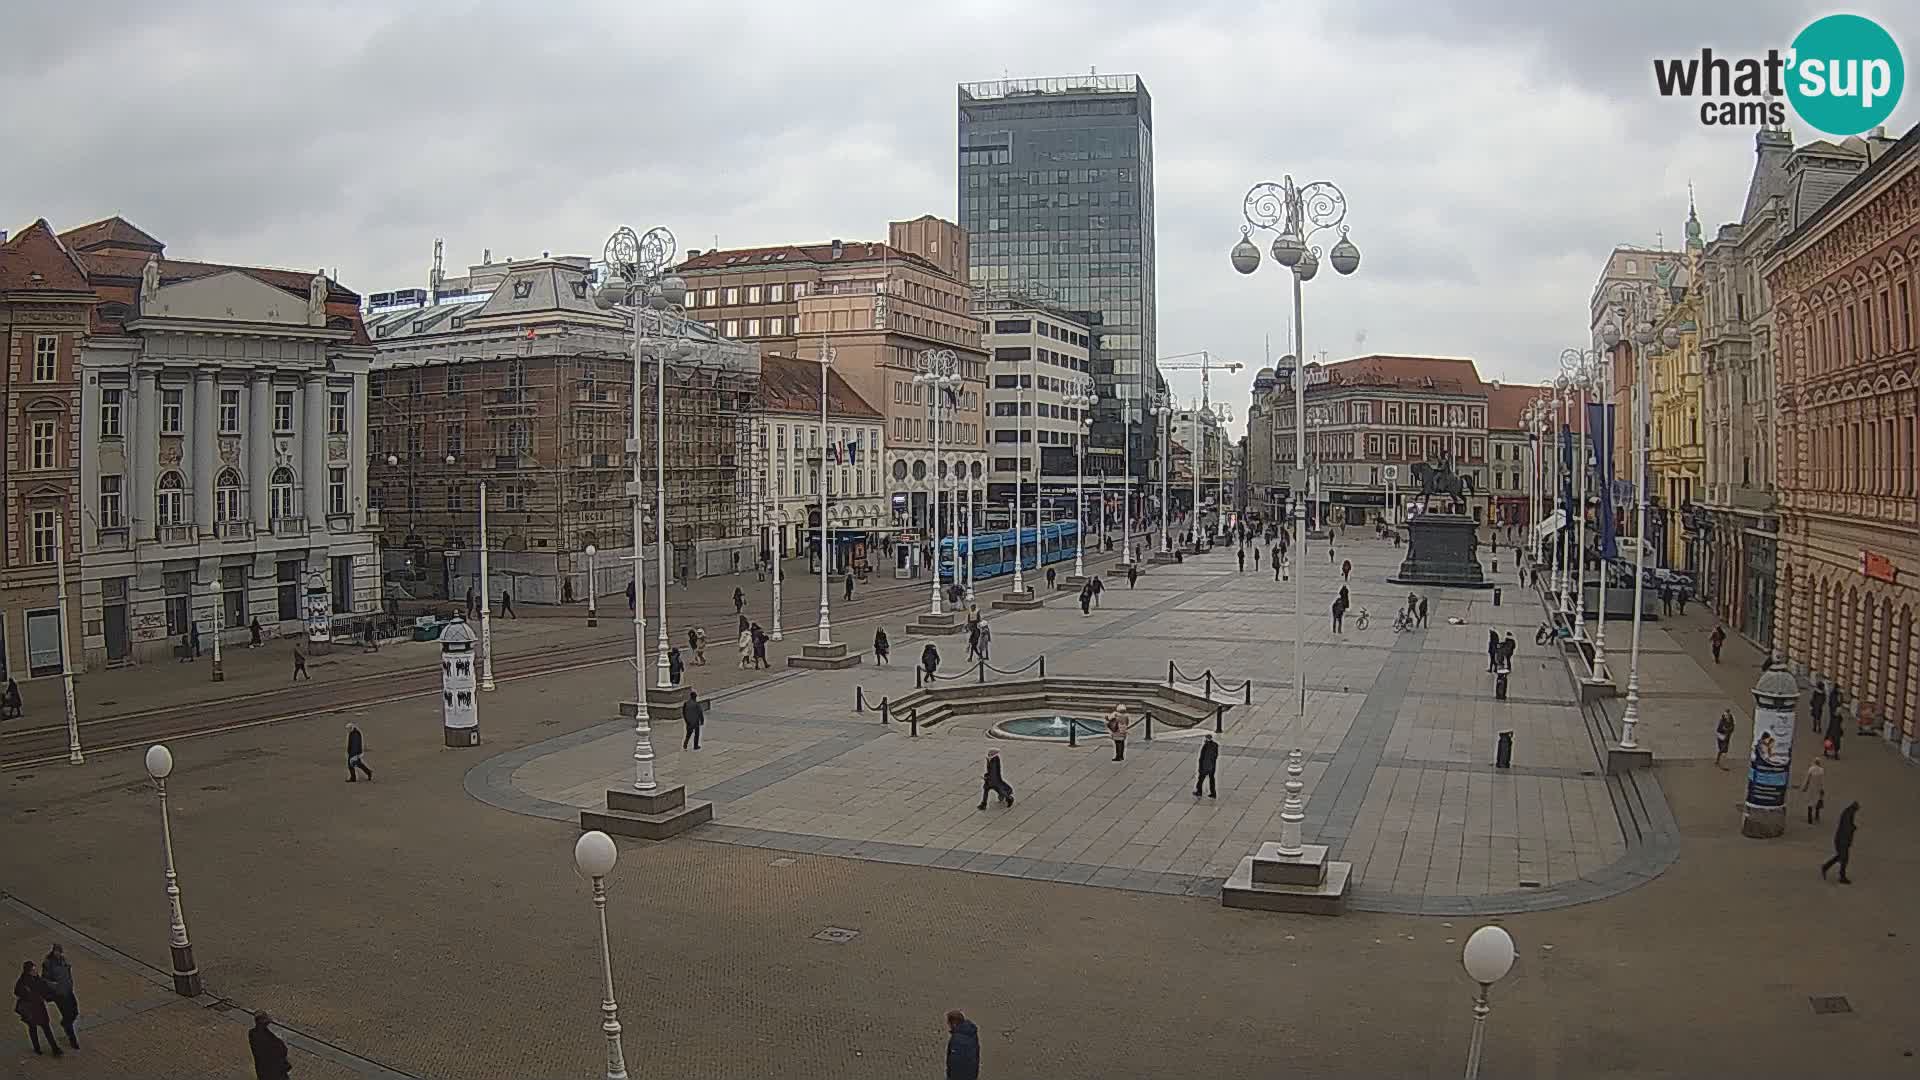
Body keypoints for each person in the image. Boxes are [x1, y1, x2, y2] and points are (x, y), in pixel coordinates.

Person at [14, 960, 59, 1057]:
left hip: (39, 1007)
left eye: (35, 969)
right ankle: (37, 1048)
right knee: (33, 1028)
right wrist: (27, 995)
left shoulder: (37, 979)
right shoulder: (23, 981)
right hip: (30, 1009)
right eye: (33, 970)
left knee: (46, 1027)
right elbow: (17, 992)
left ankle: (55, 1048)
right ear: (28, 971)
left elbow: (45, 988)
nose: (35, 972)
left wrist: (53, 994)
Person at [41, 945, 76, 1051]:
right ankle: (73, 1039)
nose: (59, 954)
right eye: (57, 952)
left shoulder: (64, 960)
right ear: (53, 952)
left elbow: (68, 972)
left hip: (68, 991)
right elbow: (45, 979)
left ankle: (65, 1023)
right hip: (59, 994)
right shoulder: (48, 963)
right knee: (67, 1014)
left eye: (60, 952)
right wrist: (55, 986)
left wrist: (70, 983)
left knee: (75, 1012)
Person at [1820, 801, 1859, 884]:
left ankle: (1826, 867)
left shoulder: (1848, 812)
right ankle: (1841, 876)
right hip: (1842, 840)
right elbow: (1846, 827)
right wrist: (1852, 828)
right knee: (1843, 858)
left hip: (1842, 839)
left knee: (1841, 857)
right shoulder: (1849, 813)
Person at [250, 1011, 291, 1079]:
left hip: (263, 1072)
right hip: (275, 1072)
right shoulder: (266, 1037)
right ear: (262, 1021)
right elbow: (281, 1050)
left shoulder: (252, 1033)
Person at [945, 1009, 980, 1080]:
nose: (948, 1025)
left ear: (954, 1023)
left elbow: (955, 1062)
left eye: (949, 1023)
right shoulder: (972, 1033)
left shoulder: (956, 1039)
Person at [1802, 758, 1826, 824]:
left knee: (1810, 802)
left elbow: (1807, 779)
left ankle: (1810, 819)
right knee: (1817, 801)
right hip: (1818, 788)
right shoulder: (1821, 770)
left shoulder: (1811, 769)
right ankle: (1817, 816)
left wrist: (1804, 787)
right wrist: (1822, 789)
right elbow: (1822, 781)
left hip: (1811, 788)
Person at [1195, 733, 1219, 799]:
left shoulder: (1205, 746)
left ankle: (1199, 792)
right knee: (1211, 780)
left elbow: (1202, 758)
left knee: (1200, 779)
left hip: (1205, 767)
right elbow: (1215, 756)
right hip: (1212, 766)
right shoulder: (1215, 745)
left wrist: (1200, 768)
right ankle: (1213, 793)